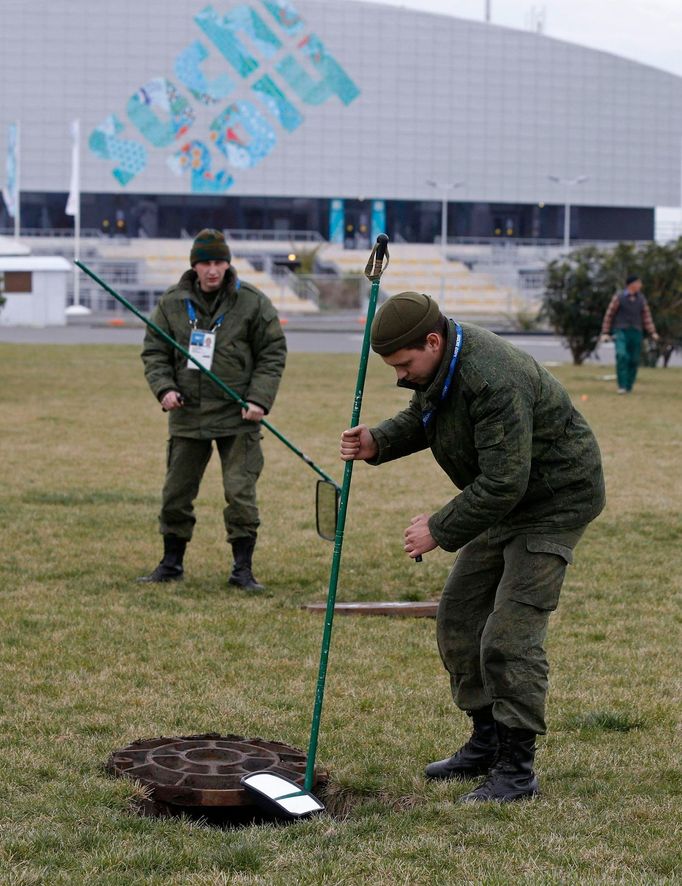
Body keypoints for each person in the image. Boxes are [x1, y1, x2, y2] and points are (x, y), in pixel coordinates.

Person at [340, 292, 605, 803]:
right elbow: (426, 413)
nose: (398, 375)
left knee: (508, 635)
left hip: (552, 500)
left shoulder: (492, 377)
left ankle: (515, 771)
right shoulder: (444, 366)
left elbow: (506, 482)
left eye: (403, 363)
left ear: (433, 341)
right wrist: (377, 441)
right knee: (459, 619)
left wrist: (439, 528)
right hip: (504, 500)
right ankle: (485, 742)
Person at [138, 229, 287, 591]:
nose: (213, 270)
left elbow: (272, 352)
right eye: (206, 262)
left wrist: (259, 400)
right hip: (187, 415)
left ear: (227, 264)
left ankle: (242, 571)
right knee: (176, 493)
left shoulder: (252, 302)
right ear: (195, 265)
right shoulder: (171, 303)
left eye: (219, 262)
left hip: (238, 417)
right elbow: (154, 351)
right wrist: (165, 389)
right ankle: (171, 564)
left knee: (240, 494)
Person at [600, 275, 659, 394]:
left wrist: (652, 332)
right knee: (622, 356)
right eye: (638, 283)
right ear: (631, 284)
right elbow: (609, 315)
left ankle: (628, 386)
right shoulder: (619, 297)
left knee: (634, 360)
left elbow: (647, 317)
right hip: (620, 331)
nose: (640, 286)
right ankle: (621, 386)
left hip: (636, 332)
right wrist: (605, 332)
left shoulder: (641, 299)